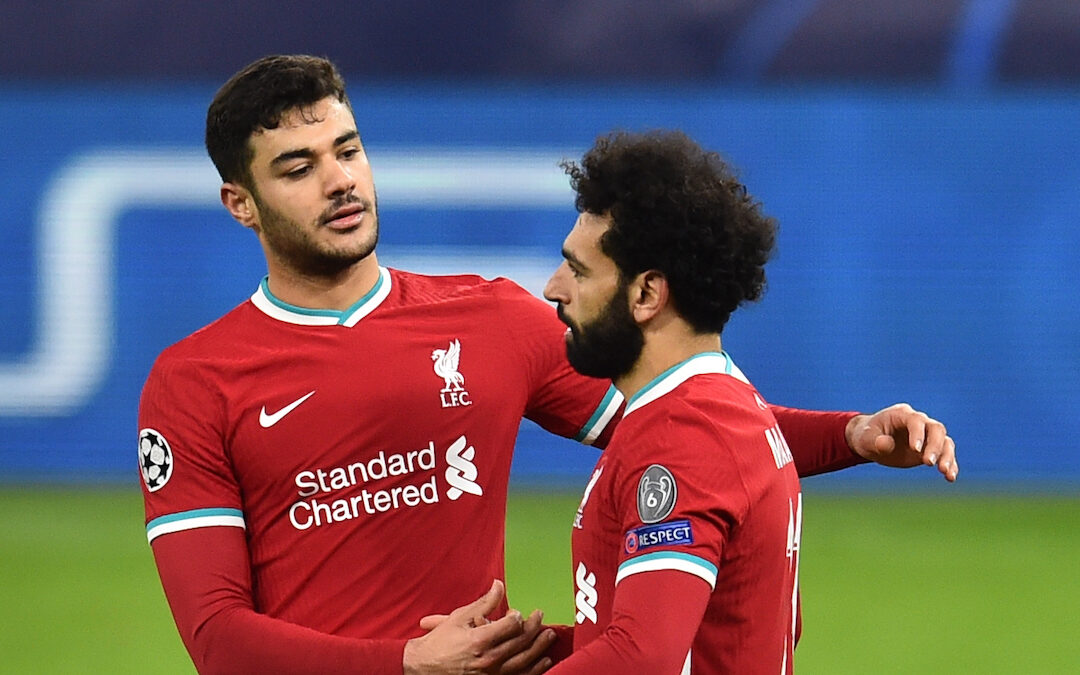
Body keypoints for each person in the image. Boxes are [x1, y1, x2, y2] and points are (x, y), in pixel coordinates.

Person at [137, 54, 956, 674]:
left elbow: (697, 430)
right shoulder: (195, 382)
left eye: (346, 149)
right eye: (298, 166)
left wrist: (849, 434)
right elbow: (215, 635)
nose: (340, 181)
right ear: (238, 202)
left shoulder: (491, 317)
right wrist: (404, 665)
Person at [536, 130, 807, 673]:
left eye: (579, 270)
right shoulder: (727, 402)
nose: (552, 288)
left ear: (646, 294)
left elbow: (643, 657)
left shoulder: (680, 436)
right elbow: (721, 630)